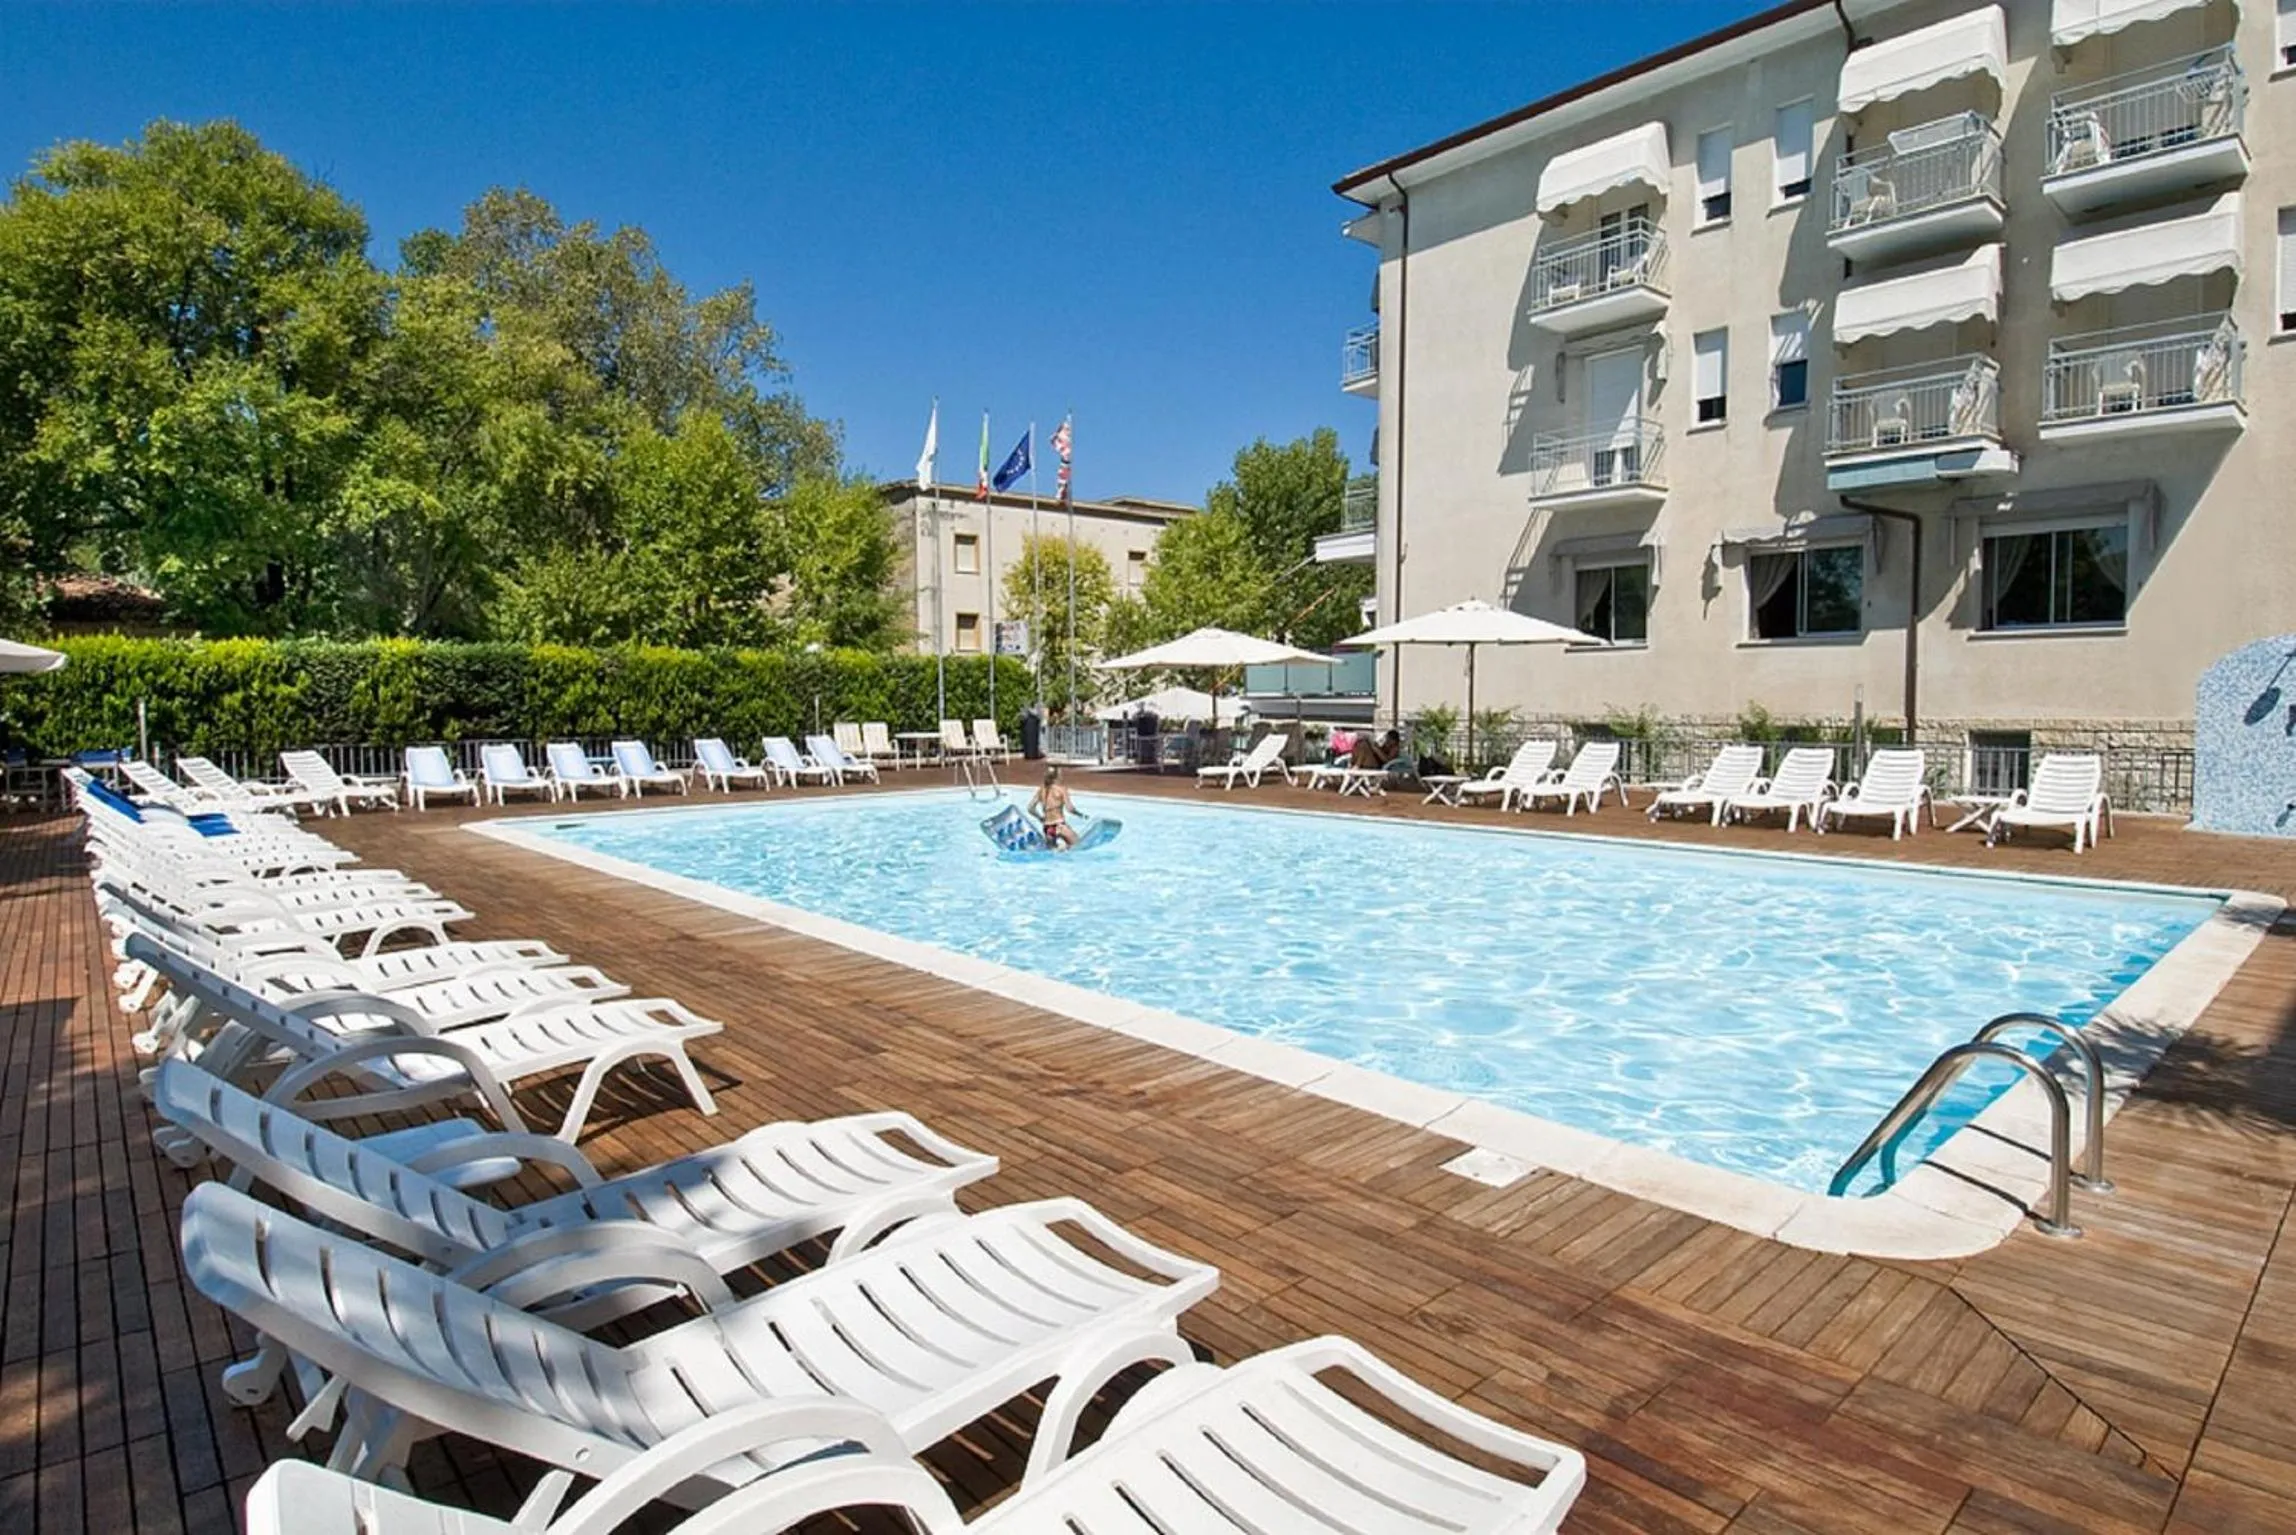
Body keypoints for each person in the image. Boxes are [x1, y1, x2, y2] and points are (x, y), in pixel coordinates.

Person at [1029, 765, 1080, 850]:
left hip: (1047, 828)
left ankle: (1060, 848)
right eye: (1060, 774)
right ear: (1057, 777)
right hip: (1059, 826)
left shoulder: (1041, 790)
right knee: (1079, 845)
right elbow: (1070, 809)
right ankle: (1062, 848)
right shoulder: (1062, 790)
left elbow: (1030, 808)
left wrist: (1040, 818)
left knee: (1052, 851)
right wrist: (1080, 814)